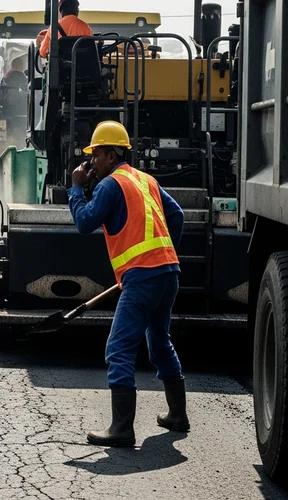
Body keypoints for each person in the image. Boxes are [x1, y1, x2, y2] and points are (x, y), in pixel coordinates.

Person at [68, 121, 189, 448]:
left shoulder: (109, 186)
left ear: (109, 154)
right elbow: (176, 216)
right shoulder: (146, 179)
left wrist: (76, 188)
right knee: (159, 342)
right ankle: (178, 415)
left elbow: (84, 223)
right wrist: (163, 253)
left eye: (95, 155)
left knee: (118, 348)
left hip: (143, 277)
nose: (91, 162)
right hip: (168, 273)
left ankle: (122, 428)